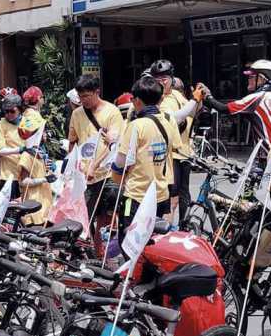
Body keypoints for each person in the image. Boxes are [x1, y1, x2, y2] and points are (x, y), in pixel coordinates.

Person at [111, 75, 179, 231]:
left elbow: (121, 162)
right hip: (160, 194)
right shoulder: (168, 122)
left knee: (129, 241)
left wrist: (114, 170)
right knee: (152, 241)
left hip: (137, 195)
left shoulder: (136, 126)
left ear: (137, 101)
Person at [67, 74, 125, 245]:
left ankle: (100, 254)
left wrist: (95, 165)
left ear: (97, 92)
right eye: (80, 96)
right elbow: (73, 142)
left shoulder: (112, 112)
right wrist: (73, 167)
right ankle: (87, 250)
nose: (83, 100)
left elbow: (112, 145)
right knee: (82, 216)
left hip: (107, 174)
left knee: (106, 217)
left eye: (87, 96)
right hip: (84, 176)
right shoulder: (77, 114)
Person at [148, 60, 202, 224]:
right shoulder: (157, 98)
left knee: (184, 195)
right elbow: (175, 118)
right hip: (169, 155)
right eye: (157, 78)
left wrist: (199, 100)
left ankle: (183, 226)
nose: (161, 81)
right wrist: (194, 100)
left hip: (184, 152)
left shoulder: (177, 95)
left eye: (164, 78)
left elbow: (193, 111)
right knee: (171, 197)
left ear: (172, 78)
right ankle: (167, 230)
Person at [202, 59, 271, 148]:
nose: (248, 80)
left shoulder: (255, 98)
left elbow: (223, 108)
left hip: (266, 156)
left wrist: (208, 96)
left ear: (261, 79)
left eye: (251, 77)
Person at [0, 89, 26, 196]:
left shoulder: (28, 122)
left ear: (20, 110)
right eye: (6, 111)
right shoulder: (1, 125)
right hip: (8, 175)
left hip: (26, 172)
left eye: (12, 111)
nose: (8, 114)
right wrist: (19, 150)